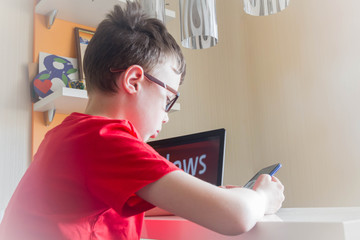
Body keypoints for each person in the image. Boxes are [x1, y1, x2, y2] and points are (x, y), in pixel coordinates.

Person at [0, 1, 284, 239]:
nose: (167, 115)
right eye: (168, 98)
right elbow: (235, 217)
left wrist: (209, 195)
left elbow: (136, 204)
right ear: (134, 80)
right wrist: (261, 198)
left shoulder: (69, 136)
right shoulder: (105, 138)